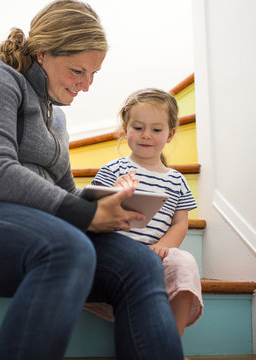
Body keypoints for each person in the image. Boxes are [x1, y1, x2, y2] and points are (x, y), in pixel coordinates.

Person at [0, 1, 183, 359]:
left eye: (93, 74)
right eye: (77, 71)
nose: (85, 86)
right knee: (67, 246)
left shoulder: (56, 118)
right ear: (42, 53)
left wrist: (102, 205)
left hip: (28, 227)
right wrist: (83, 213)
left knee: (142, 264)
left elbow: (64, 193)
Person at [86, 88, 204, 338]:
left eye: (156, 130)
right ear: (125, 129)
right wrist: (114, 195)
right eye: (138, 127)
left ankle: (171, 341)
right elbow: (91, 211)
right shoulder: (113, 170)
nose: (146, 136)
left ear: (170, 134)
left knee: (185, 262)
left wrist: (164, 246)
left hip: (156, 253)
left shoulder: (177, 180)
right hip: (116, 252)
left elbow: (180, 223)